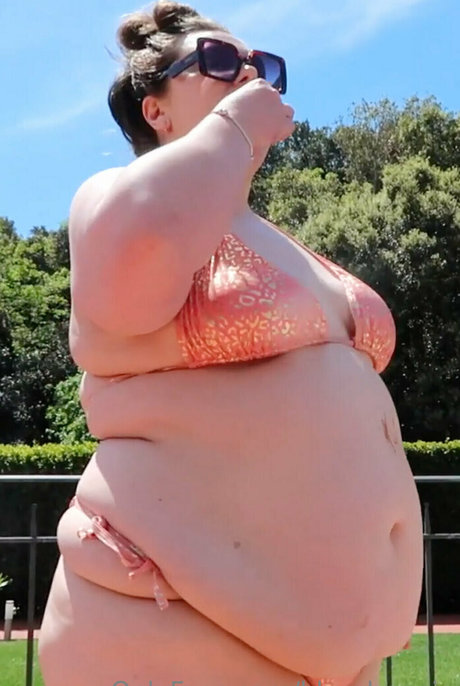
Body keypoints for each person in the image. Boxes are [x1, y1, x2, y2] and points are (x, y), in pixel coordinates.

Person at [38, 2, 424, 685]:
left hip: (346, 646)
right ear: (154, 109)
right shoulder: (113, 195)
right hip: (171, 620)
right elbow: (132, 279)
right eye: (218, 61)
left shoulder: (276, 237)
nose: (250, 73)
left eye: (262, 65)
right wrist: (240, 125)